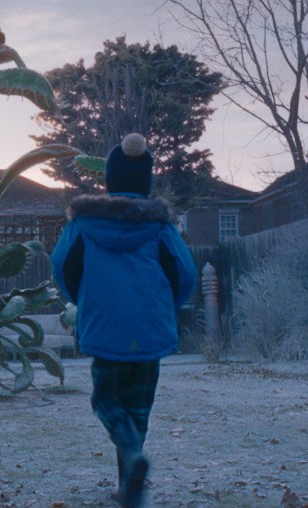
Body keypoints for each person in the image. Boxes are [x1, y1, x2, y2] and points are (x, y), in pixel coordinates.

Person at [50, 133, 197, 507]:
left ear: (110, 180)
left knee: (106, 402)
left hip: (105, 328)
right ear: (145, 181)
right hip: (150, 331)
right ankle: (130, 481)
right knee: (138, 410)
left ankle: (130, 472)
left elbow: (62, 267)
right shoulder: (161, 226)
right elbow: (185, 274)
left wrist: (82, 301)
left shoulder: (84, 224)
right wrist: (167, 308)